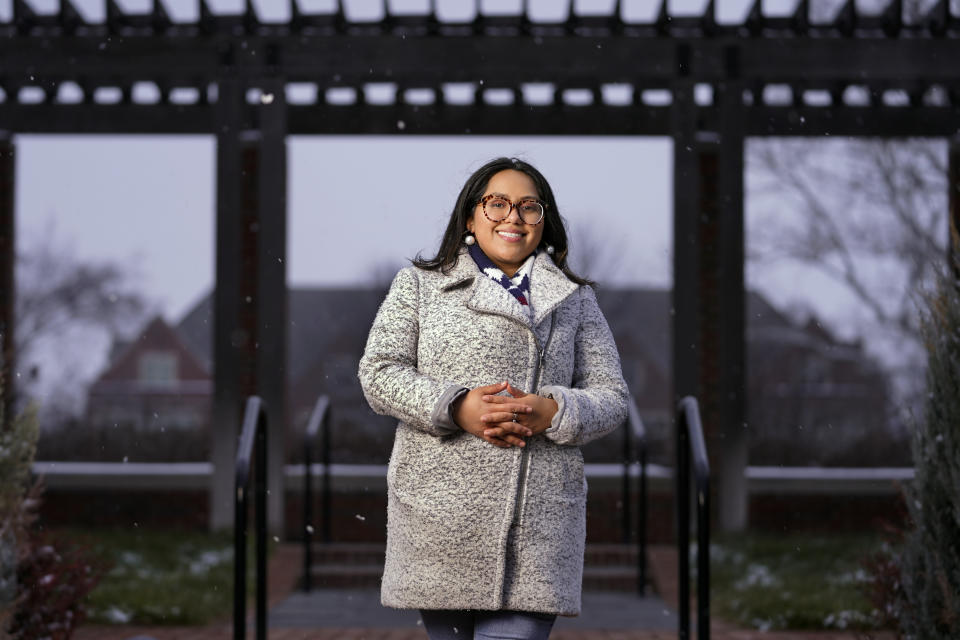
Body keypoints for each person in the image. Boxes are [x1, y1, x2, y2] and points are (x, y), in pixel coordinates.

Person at [358, 157, 629, 640]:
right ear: (470, 216)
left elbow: (612, 396)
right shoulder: (420, 285)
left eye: (529, 206)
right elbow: (377, 373)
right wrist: (457, 407)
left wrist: (555, 410)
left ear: (544, 222)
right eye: (497, 203)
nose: (513, 217)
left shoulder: (574, 298)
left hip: (537, 519)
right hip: (441, 515)